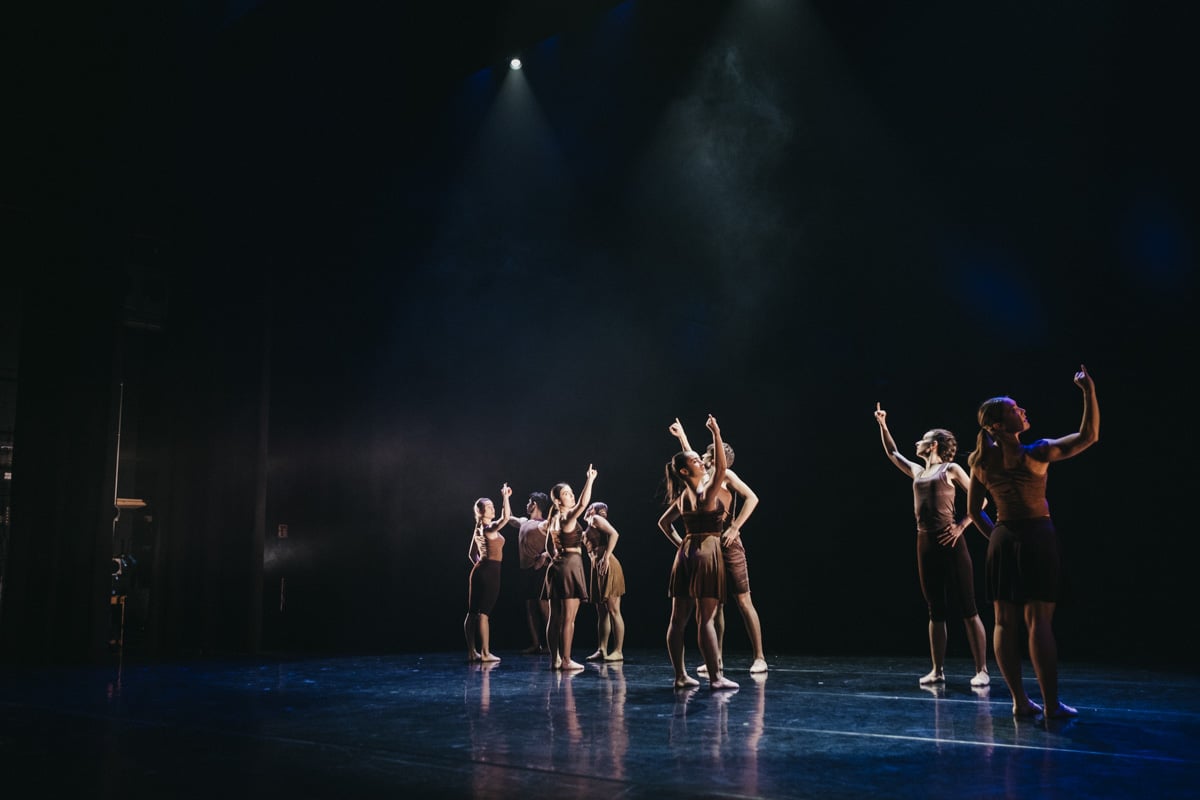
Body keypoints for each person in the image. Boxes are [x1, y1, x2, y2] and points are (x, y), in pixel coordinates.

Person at [967, 365, 1099, 719]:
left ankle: (1020, 702)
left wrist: (999, 537)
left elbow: (974, 511)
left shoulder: (980, 461)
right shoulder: (1036, 452)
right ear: (997, 425)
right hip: (1037, 536)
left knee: (1004, 622)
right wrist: (1088, 391)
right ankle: (1051, 705)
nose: (1022, 411)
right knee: (1038, 621)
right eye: (1014, 409)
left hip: (1003, 539)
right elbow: (1089, 436)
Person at [874, 403, 990, 687]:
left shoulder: (951, 469)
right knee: (935, 608)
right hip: (924, 542)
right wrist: (883, 425)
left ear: (934, 445)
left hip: (950, 541)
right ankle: (937, 670)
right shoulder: (918, 471)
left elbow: (982, 500)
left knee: (968, 606)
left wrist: (961, 526)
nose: (917, 443)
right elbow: (893, 453)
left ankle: (982, 670)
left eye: (922, 440)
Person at [669, 418, 767, 676]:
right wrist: (682, 436)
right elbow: (688, 460)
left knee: (743, 600)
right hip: (707, 546)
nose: (700, 458)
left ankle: (759, 656)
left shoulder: (725, 476)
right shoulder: (700, 481)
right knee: (716, 605)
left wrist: (735, 527)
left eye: (705, 455)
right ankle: (717, 658)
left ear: (712, 458)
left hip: (727, 543)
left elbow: (752, 498)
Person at [658, 414, 739, 691]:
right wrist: (716, 432)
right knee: (705, 619)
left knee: (677, 619)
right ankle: (716, 678)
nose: (701, 462)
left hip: (685, 555)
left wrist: (681, 544)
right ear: (684, 471)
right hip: (707, 553)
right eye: (695, 461)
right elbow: (721, 468)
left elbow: (663, 523)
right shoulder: (705, 493)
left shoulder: (684, 496)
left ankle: (680, 676)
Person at [541, 465, 598, 671]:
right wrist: (590, 480)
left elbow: (548, 546)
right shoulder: (566, 517)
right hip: (570, 565)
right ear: (557, 500)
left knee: (554, 617)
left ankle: (555, 660)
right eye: (566, 493)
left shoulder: (553, 519)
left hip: (557, 567)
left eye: (571, 492)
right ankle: (566, 660)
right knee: (568, 618)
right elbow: (583, 504)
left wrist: (556, 558)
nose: (571, 496)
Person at [464, 483, 512, 663]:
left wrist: (481, 566)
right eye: (489, 507)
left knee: (472, 612)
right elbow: (505, 518)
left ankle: (472, 652)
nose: (493, 509)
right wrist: (505, 497)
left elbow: (471, 554)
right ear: (481, 512)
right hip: (491, 571)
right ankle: (485, 653)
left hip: (479, 570)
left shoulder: (478, 528)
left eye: (493, 506)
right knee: (483, 613)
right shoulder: (489, 528)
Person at [582, 501, 626, 662]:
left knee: (613, 610)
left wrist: (606, 557)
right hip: (597, 568)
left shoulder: (596, 519)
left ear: (593, 510)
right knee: (601, 612)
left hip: (607, 565)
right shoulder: (588, 525)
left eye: (590, 507)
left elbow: (615, 534)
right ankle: (602, 649)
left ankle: (618, 651)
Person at [508, 491, 551, 654]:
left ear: (534, 504)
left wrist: (545, 555)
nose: (526, 505)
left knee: (543, 606)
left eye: (528, 502)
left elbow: (558, 542)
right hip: (526, 570)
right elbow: (508, 518)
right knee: (530, 606)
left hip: (540, 569)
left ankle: (550, 644)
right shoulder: (524, 521)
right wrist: (505, 498)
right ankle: (535, 643)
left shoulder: (545, 523)